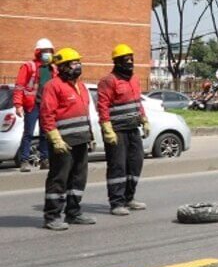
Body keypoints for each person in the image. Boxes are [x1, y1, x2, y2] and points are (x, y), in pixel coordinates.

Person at [40, 48, 96, 231]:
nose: (78, 66)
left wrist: (90, 136)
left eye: (79, 62)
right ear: (63, 67)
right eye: (74, 63)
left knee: (79, 179)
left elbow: (85, 113)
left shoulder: (81, 86)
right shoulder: (53, 86)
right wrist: (55, 138)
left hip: (81, 140)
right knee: (59, 179)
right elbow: (47, 114)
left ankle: (73, 212)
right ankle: (52, 216)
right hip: (63, 142)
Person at [97, 44, 150, 216]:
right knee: (118, 166)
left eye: (131, 59)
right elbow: (103, 106)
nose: (130, 62)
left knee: (136, 163)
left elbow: (137, 102)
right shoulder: (108, 81)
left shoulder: (134, 79)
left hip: (132, 128)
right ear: (117, 62)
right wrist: (107, 128)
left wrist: (144, 119)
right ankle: (117, 202)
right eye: (126, 59)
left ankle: (129, 197)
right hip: (117, 130)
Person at [13, 38, 54, 172]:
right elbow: (19, 86)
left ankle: (45, 159)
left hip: (46, 106)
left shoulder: (53, 68)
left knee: (45, 133)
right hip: (32, 105)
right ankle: (24, 160)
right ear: (38, 52)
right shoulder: (29, 66)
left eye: (49, 51)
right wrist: (18, 104)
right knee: (28, 133)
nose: (48, 53)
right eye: (45, 51)